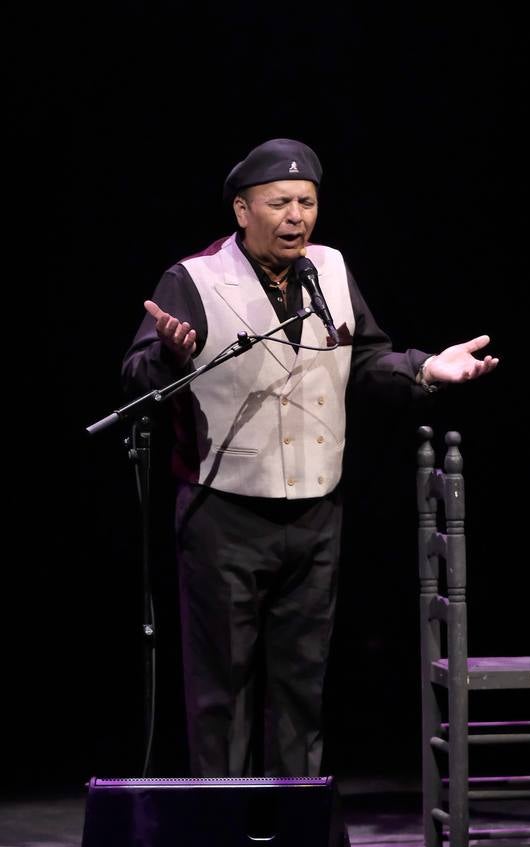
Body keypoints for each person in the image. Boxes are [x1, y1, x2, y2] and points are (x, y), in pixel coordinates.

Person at [122, 138, 499, 778]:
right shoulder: (195, 279)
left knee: (303, 690)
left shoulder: (330, 269)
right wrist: (168, 356)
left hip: (316, 515)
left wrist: (427, 368)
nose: (297, 215)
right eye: (280, 203)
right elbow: (138, 375)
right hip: (224, 515)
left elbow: (369, 361)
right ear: (243, 210)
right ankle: (223, 846)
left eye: (307, 202)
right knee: (223, 694)